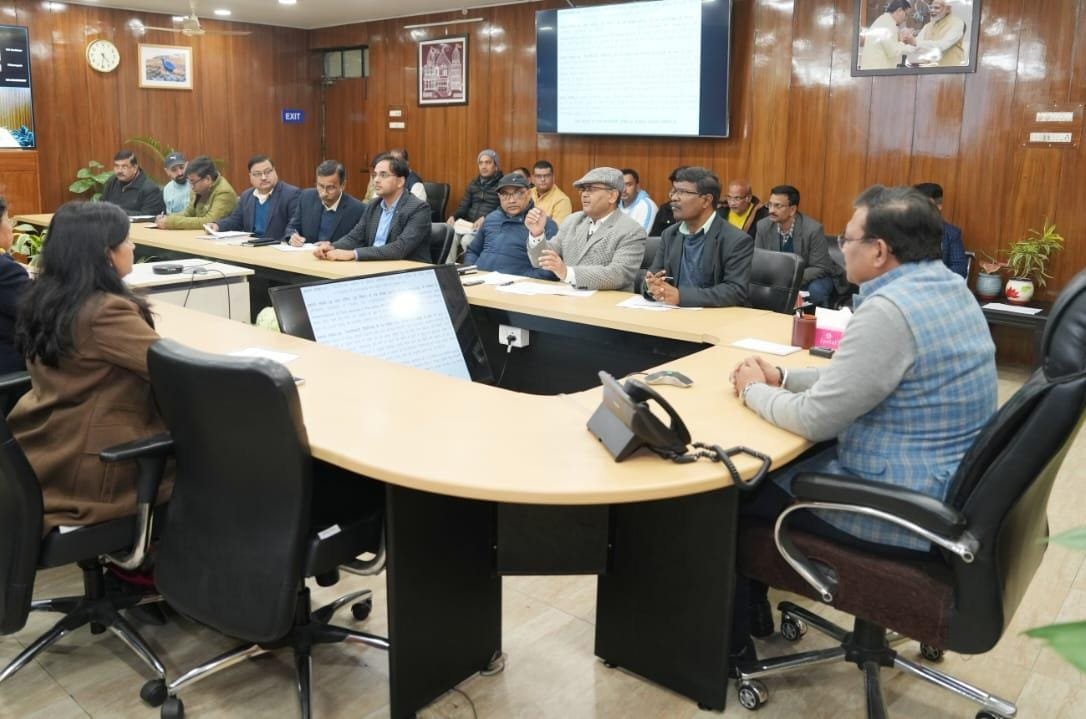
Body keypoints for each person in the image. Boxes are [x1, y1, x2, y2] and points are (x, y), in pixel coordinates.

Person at [729, 185, 997, 646]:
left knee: (735, 492)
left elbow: (814, 420)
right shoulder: (947, 287)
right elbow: (867, 376)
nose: (841, 249)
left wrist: (752, 389)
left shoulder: (889, 310)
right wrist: (783, 376)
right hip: (944, 487)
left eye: (846, 239)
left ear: (878, 251)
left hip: (897, 503)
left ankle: (734, 647)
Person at [9, 202, 173, 534]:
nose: (133, 246)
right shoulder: (104, 311)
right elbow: (174, 372)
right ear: (106, 253)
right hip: (98, 470)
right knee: (220, 460)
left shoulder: (47, 297)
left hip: (47, 448)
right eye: (126, 240)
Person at [643, 167, 753, 307]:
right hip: (671, 312)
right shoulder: (670, 234)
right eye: (674, 191)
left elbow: (735, 291)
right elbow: (653, 275)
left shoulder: (736, 240)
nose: (674, 197)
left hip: (715, 316)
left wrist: (681, 297)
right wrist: (651, 286)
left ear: (706, 200)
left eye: (682, 192)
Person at [525, 167, 646, 291]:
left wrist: (567, 273)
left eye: (591, 189)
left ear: (612, 196)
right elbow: (540, 261)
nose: (584, 194)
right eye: (583, 189)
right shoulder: (572, 221)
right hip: (567, 298)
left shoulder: (631, 231)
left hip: (607, 301)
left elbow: (618, 274)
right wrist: (537, 234)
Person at [313, 153, 431, 263]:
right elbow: (355, 237)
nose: (376, 180)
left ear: (400, 181)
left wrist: (354, 254)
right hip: (375, 267)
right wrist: (332, 246)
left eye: (383, 175)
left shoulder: (418, 208)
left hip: (409, 272)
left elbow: (400, 248)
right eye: (375, 175)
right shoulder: (373, 205)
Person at [753, 184, 840, 307]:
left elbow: (821, 267)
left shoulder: (813, 229)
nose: (771, 210)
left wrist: (790, 278)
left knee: (817, 290)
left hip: (811, 277)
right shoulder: (763, 226)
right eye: (770, 204)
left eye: (777, 206)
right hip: (779, 278)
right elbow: (759, 260)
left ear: (792, 209)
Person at [465, 173, 558, 280]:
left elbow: (549, 271)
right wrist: (471, 273)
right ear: (499, 197)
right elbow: (473, 251)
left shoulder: (544, 224)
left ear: (529, 194)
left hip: (516, 286)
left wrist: (520, 279)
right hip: (479, 281)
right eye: (505, 194)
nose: (511, 200)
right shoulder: (491, 218)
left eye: (518, 194)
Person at [206, 155, 300, 240]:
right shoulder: (246, 196)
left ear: (274, 171)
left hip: (277, 247)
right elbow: (236, 221)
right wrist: (217, 226)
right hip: (251, 245)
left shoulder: (291, 194)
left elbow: (295, 225)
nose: (263, 177)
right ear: (250, 176)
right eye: (258, 174)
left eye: (268, 172)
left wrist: (292, 237)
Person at [285, 160, 366, 246]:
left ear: (343, 185)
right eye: (320, 186)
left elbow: (360, 242)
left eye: (330, 187)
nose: (324, 193)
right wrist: (292, 236)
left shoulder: (358, 209)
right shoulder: (306, 197)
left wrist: (333, 246)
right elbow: (292, 227)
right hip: (308, 253)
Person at [156, 155, 239, 230]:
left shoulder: (224, 192)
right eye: (189, 182)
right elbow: (189, 213)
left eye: (193, 182)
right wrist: (167, 218)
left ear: (207, 179)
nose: (191, 187)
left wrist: (172, 222)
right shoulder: (197, 189)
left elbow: (209, 221)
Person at [447, 149, 502, 259]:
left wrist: (486, 218)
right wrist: (453, 216)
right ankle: (449, 267)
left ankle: (470, 268)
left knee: (467, 240)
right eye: (481, 163)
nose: (484, 166)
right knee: (449, 236)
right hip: (469, 226)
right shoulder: (473, 184)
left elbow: (503, 209)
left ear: (496, 166)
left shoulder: (502, 185)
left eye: (488, 162)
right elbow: (463, 206)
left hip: (489, 226)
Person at [0, 196, 29, 373]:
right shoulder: (6, 271)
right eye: (8, 220)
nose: (11, 227)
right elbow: (37, 315)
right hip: (10, 372)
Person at [913, 181, 967, 278]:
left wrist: (934, 278)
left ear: (939, 206)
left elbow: (960, 268)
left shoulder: (951, 234)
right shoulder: (902, 229)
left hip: (938, 284)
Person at [99, 150, 165, 216]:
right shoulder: (112, 181)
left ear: (135, 168)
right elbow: (102, 205)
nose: (119, 171)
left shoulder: (150, 189)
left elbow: (149, 216)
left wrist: (118, 213)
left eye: (124, 167)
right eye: (117, 166)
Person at [859, 0, 913, 70]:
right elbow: (893, 52)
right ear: (899, 10)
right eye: (906, 15)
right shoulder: (888, 24)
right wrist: (907, 44)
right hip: (876, 71)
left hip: (873, 70)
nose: (906, 19)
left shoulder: (885, 20)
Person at [910, 0, 966, 67]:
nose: (932, 10)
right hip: (929, 70)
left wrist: (916, 43)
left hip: (952, 70)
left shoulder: (957, 23)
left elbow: (942, 45)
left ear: (948, 9)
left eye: (936, 8)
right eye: (931, 8)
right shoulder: (927, 26)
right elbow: (913, 47)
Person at [362, 148, 427, 203]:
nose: (393, 164)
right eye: (391, 160)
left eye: (397, 161)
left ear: (406, 163)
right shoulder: (382, 186)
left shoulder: (416, 184)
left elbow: (415, 207)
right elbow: (373, 201)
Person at [529, 160, 572, 224]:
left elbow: (557, 228)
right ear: (533, 179)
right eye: (538, 176)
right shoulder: (527, 193)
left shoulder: (562, 200)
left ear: (553, 178)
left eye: (546, 176)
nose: (542, 179)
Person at [619, 168, 658, 233]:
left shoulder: (647, 206)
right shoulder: (615, 204)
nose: (624, 190)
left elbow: (641, 236)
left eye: (629, 185)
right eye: (620, 185)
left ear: (637, 187)